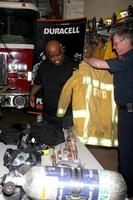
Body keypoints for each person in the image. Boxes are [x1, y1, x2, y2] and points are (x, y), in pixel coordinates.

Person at [84, 28, 133, 198]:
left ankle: (126, 191)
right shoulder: (125, 59)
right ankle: (124, 182)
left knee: (127, 153)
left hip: (130, 113)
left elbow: (99, 64)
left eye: (116, 43)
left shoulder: (130, 58)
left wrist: (84, 57)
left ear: (127, 41)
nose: (113, 47)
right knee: (125, 151)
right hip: (126, 111)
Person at [29, 39, 74, 130]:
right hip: (48, 112)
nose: (56, 58)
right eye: (51, 56)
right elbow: (38, 83)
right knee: (48, 138)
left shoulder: (72, 66)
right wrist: (32, 94)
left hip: (67, 114)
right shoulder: (43, 66)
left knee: (66, 140)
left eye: (58, 54)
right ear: (47, 55)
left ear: (62, 50)